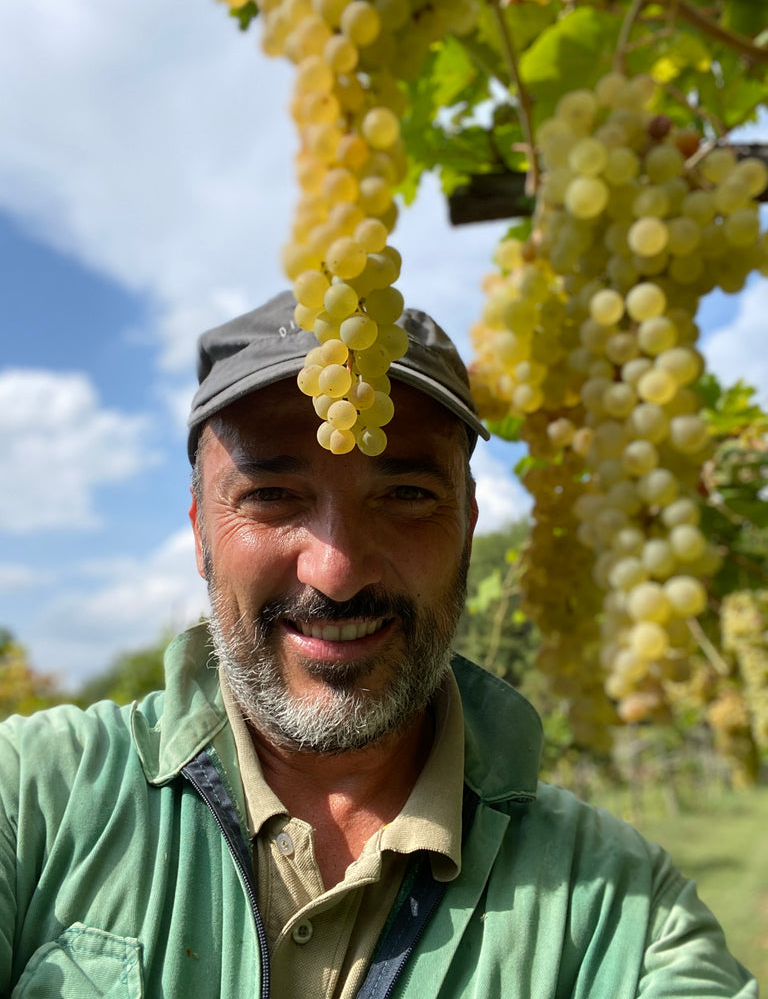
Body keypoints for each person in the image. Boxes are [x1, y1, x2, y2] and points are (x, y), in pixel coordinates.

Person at [0, 291, 758, 999]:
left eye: (405, 496)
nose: (336, 572)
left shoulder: (621, 910)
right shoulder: (31, 797)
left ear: (466, 528)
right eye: (271, 496)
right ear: (202, 533)